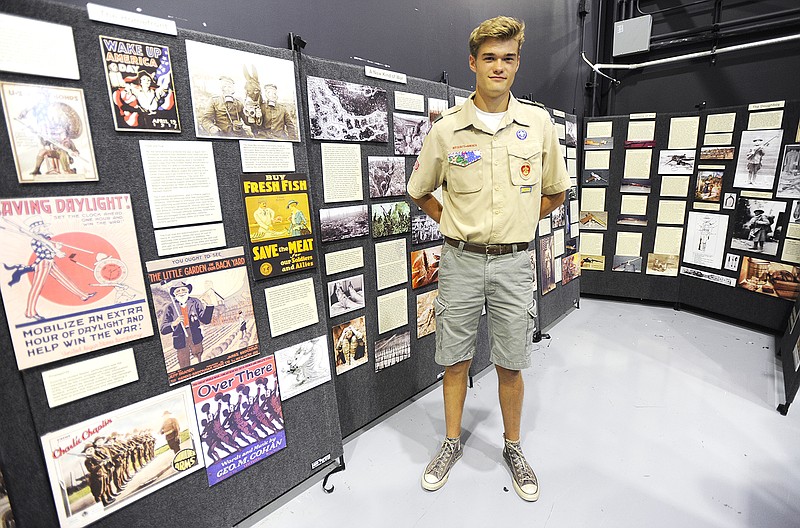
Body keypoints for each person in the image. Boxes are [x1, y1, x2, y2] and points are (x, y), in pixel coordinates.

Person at [406, 16, 570, 502]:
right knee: (454, 360)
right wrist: (453, 224)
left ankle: (513, 447)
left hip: (515, 265)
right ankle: (451, 442)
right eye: (490, 58)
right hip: (460, 262)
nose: (499, 67)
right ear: (472, 62)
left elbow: (555, 193)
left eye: (509, 58)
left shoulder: (538, 125)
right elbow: (420, 191)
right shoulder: (448, 129)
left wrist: (519, 223)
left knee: (511, 362)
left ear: (517, 64)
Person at [159, 281, 214, 369]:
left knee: (198, 356)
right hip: (180, 336)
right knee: (183, 361)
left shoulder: (195, 302)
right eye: (178, 291)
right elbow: (163, 329)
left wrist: (209, 305)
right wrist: (174, 323)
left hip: (195, 334)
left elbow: (206, 320)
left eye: (183, 290)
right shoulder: (170, 307)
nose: (181, 293)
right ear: (174, 294)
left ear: (188, 291)